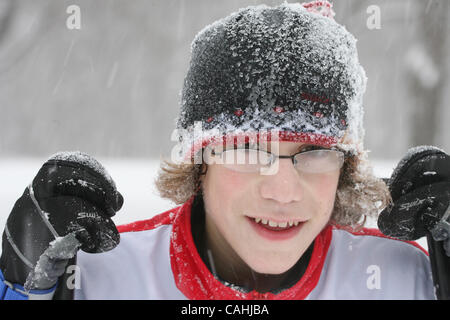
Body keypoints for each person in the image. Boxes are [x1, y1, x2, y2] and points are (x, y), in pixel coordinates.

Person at [0, 1, 446, 300]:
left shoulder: (405, 281)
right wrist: (16, 291)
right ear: (199, 165)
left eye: (315, 151)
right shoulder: (97, 276)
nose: (283, 191)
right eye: (247, 149)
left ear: (346, 168)